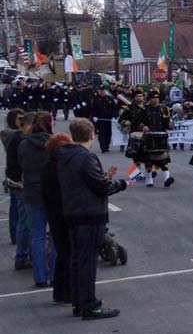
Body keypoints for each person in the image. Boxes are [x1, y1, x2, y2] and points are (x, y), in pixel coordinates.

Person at [58, 118, 128, 320]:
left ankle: (79, 302)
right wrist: (120, 184)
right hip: (89, 214)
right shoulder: (86, 157)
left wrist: (103, 177)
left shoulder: (65, 155)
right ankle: (90, 305)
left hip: (73, 211)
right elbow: (101, 188)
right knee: (88, 262)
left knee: (78, 260)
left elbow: (86, 182)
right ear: (91, 135)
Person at [18, 111, 56, 288]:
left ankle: (40, 276)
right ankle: (56, 273)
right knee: (56, 236)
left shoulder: (24, 144)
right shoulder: (55, 143)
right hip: (52, 192)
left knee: (37, 235)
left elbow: (21, 166)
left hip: (32, 192)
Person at [42, 132, 74, 305]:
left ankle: (60, 291)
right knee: (67, 254)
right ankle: (66, 291)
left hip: (56, 214)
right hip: (62, 214)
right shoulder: (56, 168)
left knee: (63, 254)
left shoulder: (50, 165)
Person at [5, 109, 32, 270]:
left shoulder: (20, 138)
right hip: (20, 184)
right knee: (25, 221)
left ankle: (23, 252)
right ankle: (22, 255)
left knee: (24, 219)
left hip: (20, 182)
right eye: (19, 118)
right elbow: (17, 164)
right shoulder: (17, 139)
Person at [90, 84, 118, 153]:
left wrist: (115, 116)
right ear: (98, 91)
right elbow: (92, 109)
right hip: (100, 119)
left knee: (108, 133)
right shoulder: (95, 99)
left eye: (103, 91)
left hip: (108, 119)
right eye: (100, 90)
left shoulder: (110, 99)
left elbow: (114, 108)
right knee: (102, 133)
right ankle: (103, 147)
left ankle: (107, 145)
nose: (102, 92)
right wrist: (94, 116)